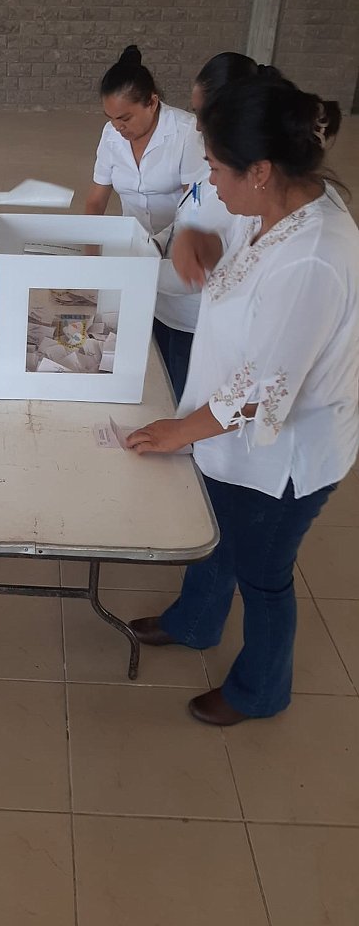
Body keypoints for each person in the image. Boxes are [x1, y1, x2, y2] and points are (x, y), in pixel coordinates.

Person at [125, 74, 359, 726]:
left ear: (260, 169)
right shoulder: (275, 204)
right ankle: (196, 621)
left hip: (285, 458)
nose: (211, 181)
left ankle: (261, 691)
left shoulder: (314, 257)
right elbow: (236, 255)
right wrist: (201, 242)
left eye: (218, 168)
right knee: (220, 532)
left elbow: (263, 390)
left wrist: (178, 431)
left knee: (263, 572)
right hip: (232, 437)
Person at [152, 52, 259, 400]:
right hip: (165, 310)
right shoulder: (211, 165)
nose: (197, 126)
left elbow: (203, 274)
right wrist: (153, 242)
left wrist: (134, 272)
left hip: (193, 322)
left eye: (202, 113)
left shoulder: (243, 199)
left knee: (186, 403)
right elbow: (187, 213)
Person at [84, 45, 204, 236]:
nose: (117, 126)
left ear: (152, 103)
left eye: (125, 118)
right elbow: (96, 202)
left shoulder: (186, 131)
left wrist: (170, 247)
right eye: (111, 118)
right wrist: (90, 249)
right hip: (132, 239)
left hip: (177, 241)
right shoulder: (110, 134)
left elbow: (194, 204)